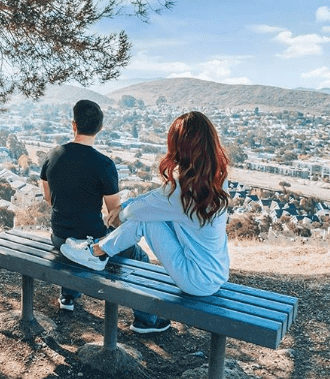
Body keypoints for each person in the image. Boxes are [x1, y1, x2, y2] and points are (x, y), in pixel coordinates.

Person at [60, 111, 230, 298]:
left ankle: (97, 252)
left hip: (195, 280)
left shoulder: (182, 192)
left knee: (145, 220)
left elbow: (140, 211)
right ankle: (99, 249)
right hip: (216, 273)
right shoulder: (217, 178)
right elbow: (154, 198)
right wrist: (124, 207)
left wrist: (120, 214)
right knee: (147, 215)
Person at [40, 99, 170, 333]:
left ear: (74, 125)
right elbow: (114, 215)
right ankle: (146, 320)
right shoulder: (104, 164)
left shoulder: (52, 155)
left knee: (71, 241)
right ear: (99, 128)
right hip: (92, 243)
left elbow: (48, 198)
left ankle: (68, 297)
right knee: (139, 257)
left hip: (59, 237)